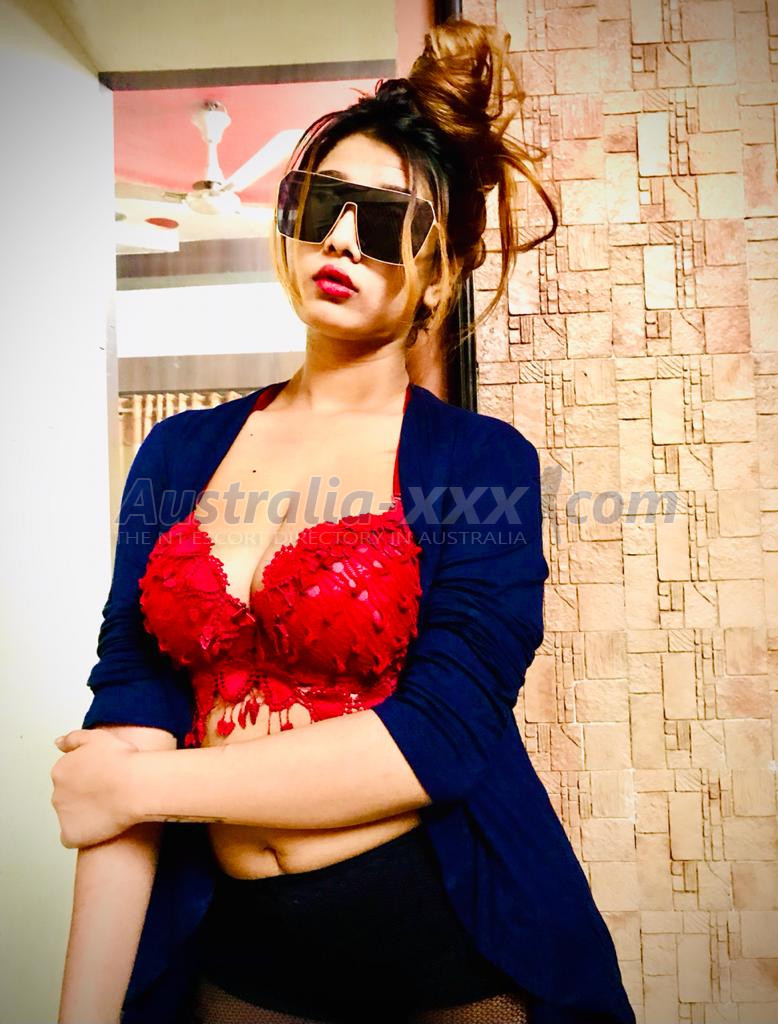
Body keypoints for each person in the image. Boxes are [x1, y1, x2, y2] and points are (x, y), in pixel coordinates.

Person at [51, 18, 635, 1024]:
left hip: (454, 975)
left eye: (386, 222)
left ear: (439, 273)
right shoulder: (176, 455)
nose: (341, 240)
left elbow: (442, 736)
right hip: (239, 977)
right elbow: (128, 723)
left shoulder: (480, 465)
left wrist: (148, 790)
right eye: (323, 204)